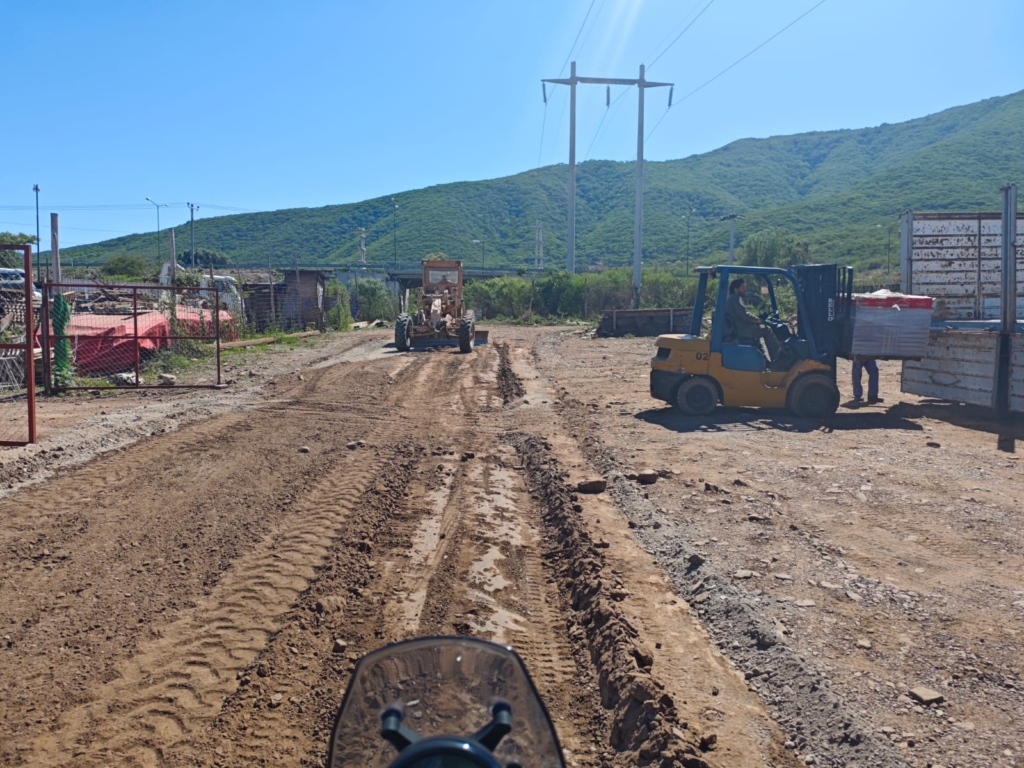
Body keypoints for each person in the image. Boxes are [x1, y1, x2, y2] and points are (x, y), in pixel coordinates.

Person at [724, 278, 780, 360]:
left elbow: (743, 314)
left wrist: (756, 319)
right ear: (736, 289)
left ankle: (763, 358)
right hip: (741, 330)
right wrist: (758, 320)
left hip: (738, 328)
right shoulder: (735, 298)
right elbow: (745, 315)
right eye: (742, 288)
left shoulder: (731, 299)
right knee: (767, 330)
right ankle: (776, 358)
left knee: (758, 331)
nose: (745, 290)